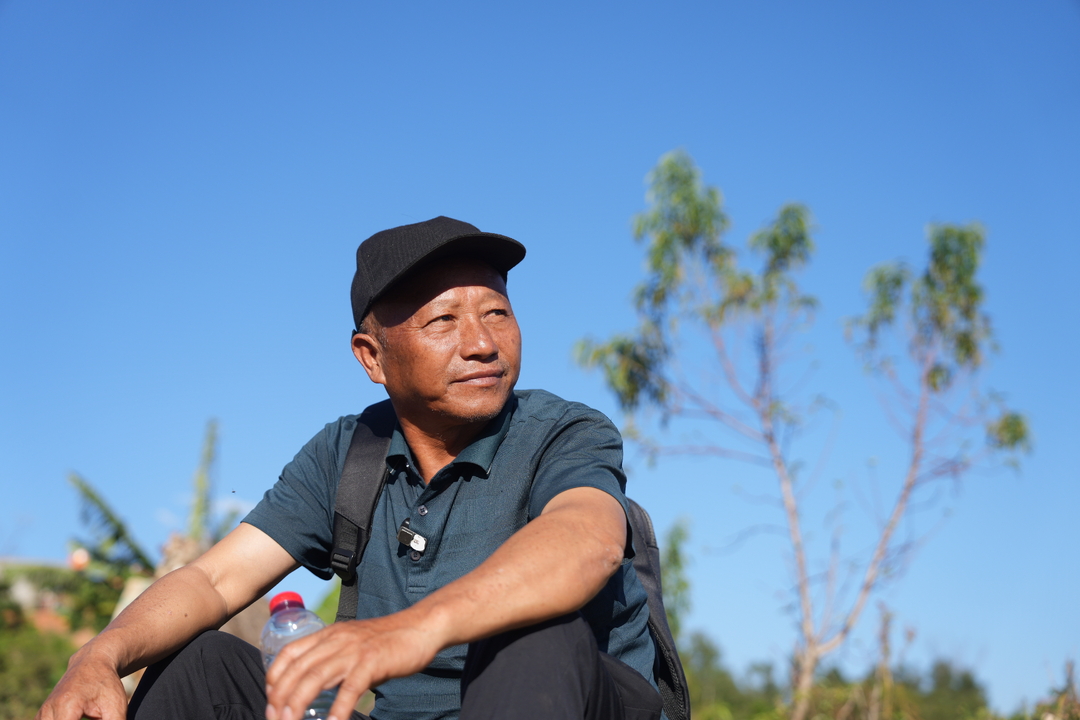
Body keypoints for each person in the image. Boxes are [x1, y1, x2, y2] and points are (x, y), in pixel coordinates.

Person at [38, 216, 663, 720]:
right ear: (372, 357)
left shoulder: (562, 431)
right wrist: (98, 656)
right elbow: (214, 581)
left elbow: (587, 541)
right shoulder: (348, 453)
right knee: (200, 667)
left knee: (535, 632)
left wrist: (410, 630)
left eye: (497, 312)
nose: (482, 343)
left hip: (573, 702)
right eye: (444, 320)